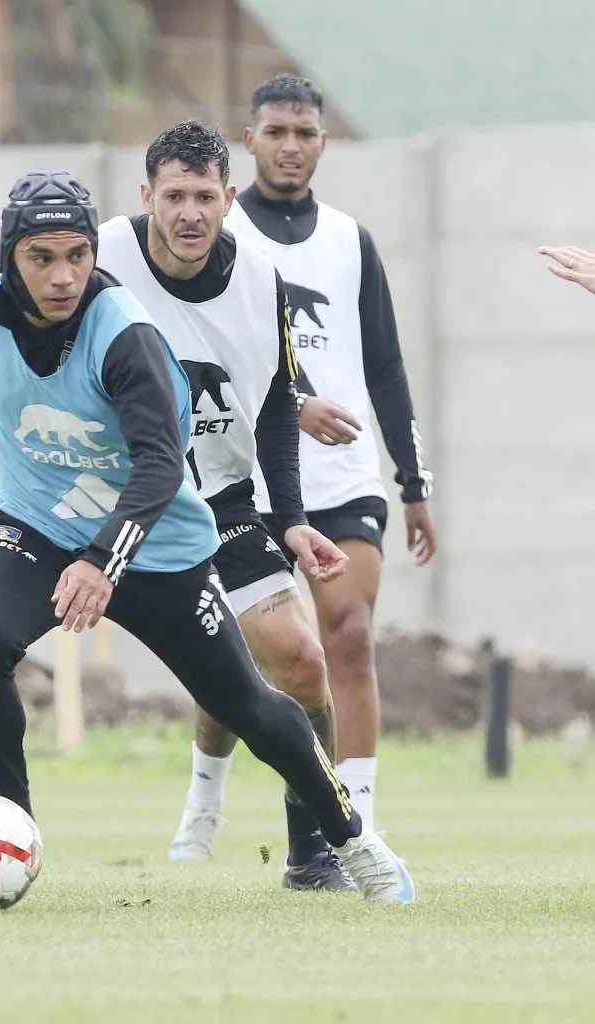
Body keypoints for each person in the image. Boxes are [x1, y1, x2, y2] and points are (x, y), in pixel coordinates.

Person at [0, 168, 416, 903]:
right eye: (42, 258)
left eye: (77, 255)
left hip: (158, 545)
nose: (64, 275)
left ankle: (351, 841)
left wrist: (103, 562)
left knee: (249, 708)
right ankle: (9, 832)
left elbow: (162, 467)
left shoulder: (125, 335)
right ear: (10, 257)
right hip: (34, 526)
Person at [216, 74, 437, 829]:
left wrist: (413, 483)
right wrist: (292, 401)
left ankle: (357, 821)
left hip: (343, 477)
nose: (289, 146)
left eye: (303, 133)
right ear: (248, 139)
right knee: (251, 660)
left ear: (322, 143)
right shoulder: (217, 234)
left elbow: (385, 366)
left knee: (345, 635)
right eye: (274, 132)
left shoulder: (350, 240)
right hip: (245, 478)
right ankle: (202, 801)